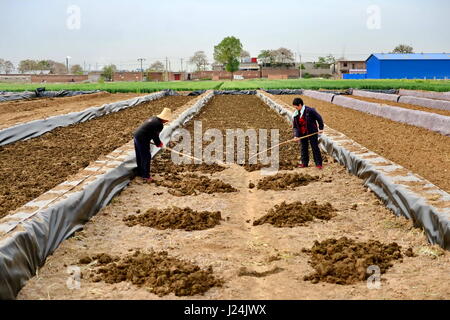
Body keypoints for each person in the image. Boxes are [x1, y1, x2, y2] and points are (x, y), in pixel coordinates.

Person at [133, 108, 172, 182]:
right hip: (142, 139)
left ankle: (140, 172)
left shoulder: (154, 118)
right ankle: (145, 176)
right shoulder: (159, 124)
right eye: (167, 119)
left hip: (137, 136)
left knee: (139, 155)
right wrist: (160, 144)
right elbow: (155, 136)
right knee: (146, 156)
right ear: (164, 118)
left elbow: (150, 132)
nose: (167, 121)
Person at [292, 97, 324, 169]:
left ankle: (318, 163)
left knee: (314, 147)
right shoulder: (296, 115)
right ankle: (304, 163)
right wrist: (296, 136)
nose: (295, 109)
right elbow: (295, 126)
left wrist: (321, 128)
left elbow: (319, 118)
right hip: (302, 133)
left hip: (311, 132)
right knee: (303, 148)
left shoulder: (310, 111)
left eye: (296, 107)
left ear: (300, 105)